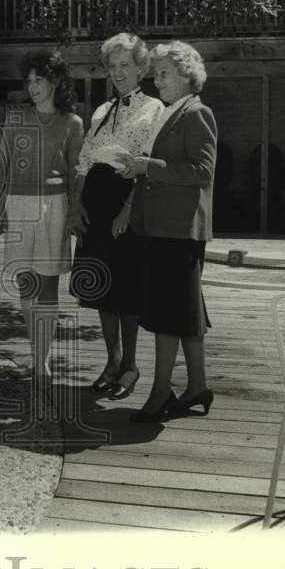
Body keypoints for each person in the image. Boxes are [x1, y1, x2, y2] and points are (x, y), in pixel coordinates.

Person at [121, 40, 217, 422]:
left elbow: (203, 172)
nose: (155, 80)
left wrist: (149, 166)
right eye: (155, 73)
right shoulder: (170, 112)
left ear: (185, 75)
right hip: (162, 228)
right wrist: (138, 169)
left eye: (162, 73)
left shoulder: (197, 113)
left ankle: (161, 393)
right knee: (185, 312)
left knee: (167, 315)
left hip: (180, 231)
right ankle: (197, 387)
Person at [69, 33, 164, 400]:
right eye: (113, 66)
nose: (119, 72)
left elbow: (146, 165)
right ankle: (112, 362)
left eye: (126, 65)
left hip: (125, 202)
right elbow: (84, 161)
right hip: (95, 201)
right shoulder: (100, 111)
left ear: (141, 69)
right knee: (101, 290)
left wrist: (129, 208)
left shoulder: (153, 109)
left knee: (126, 291)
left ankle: (131, 366)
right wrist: (76, 205)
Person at [0, 50, 84, 379]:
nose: (32, 86)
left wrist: (75, 213)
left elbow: (77, 173)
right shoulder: (16, 117)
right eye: (29, 81)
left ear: (56, 81)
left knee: (48, 285)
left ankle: (42, 361)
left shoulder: (72, 122)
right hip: (18, 205)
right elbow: (1, 164)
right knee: (25, 283)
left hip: (55, 207)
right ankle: (35, 352)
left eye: (39, 80)